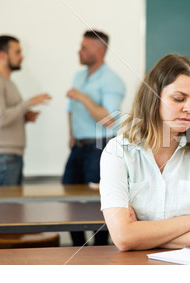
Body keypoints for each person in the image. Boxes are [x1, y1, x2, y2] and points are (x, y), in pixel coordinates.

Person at [99, 54, 190, 251]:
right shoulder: (117, 152)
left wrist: (141, 237)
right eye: (179, 98)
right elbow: (123, 238)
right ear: (153, 96)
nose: (189, 108)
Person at [63, 30, 125, 246]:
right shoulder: (79, 76)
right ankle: (78, 248)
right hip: (78, 148)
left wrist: (81, 96)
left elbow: (108, 119)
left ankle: (99, 251)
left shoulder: (113, 81)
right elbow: (70, 109)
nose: (78, 51)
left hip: (100, 147)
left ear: (99, 51)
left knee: (98, 204)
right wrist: (71, 135)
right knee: (69, 196)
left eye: (84, 48)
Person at [0, 35, 51, 186]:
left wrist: (24, 118)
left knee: (12, 209)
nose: (22, 56)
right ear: (2, 55)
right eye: (17, 52)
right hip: (2, 159)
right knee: (4, 209)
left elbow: (5, 116)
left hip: (10, 157)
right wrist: (28, 103)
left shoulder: (8, 82)